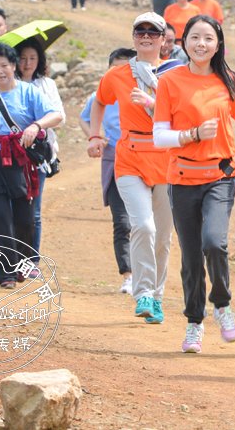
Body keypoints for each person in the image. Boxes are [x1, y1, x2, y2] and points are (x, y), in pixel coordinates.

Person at [153, 14, 235, 354]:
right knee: (190, 256)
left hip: (220, 175)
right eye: (195, 37)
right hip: (182, 178)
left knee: (214, 243)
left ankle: (222, 304)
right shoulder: (170, 81)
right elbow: (159, 136)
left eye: (208, 38)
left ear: (218, 45)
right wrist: (192, 135)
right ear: (184, 41)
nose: (201, 44)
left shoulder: (228, 80)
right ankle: (194, 323)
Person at [87, 13, 183, 324]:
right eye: (140, 31)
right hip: (129, 158)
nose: (145, 37)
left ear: (163, 39)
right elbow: (99, 102)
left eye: (152, 32)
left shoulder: (176, 74)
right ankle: (142, 293)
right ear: (133, 37)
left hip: (167, 159)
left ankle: (157, 297)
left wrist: (152, 103)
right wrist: (95, 135)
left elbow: (184, 114)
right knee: (143, 225)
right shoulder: (117, 75)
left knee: (163, 236)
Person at [0, 43, 62, 289]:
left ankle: (21, 262)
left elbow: (56, 115)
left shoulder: (29, 92)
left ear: (13, 66)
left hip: (22, 162)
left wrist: (36, 126)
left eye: (4, 66)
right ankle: (6, 272)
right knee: (0, 217)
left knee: (24, 218)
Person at [80, 48, 136, 294]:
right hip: (114, 160)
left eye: (126, 68)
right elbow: (84, 118)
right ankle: (128, 275)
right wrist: (95, 136)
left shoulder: (144, 94)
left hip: (144, 160)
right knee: (122, 222)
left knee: (145, 223)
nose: (120, 74)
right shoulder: (99, 96)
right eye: (115, 68)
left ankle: (148, 274)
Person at [17, 38, 66, 266]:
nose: (27, 63)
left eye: (32, 58)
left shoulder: (47, 85)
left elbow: (60, 117)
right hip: (12, 153)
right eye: (23, 58)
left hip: (38, 155)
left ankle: (32, 259)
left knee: (34, 209)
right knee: (14, 207)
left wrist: (37, 124)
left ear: (40, 60)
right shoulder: (8, 85)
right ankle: (14, 257)